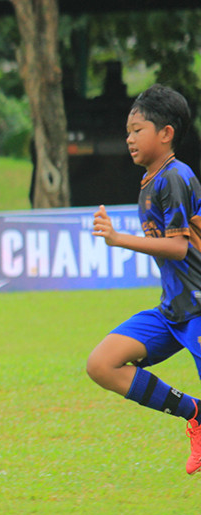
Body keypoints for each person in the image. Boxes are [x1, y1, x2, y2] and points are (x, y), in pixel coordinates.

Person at [87, 83, 201, 474]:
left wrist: (118, 238)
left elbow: (178, 248)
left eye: (137, 130)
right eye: (128, 131)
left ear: (166, 133)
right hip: (175, 311)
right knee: (102, 364)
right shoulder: (153, 180)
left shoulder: (175, 177)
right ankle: (195, 414)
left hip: (199, 307)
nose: (129, 138)